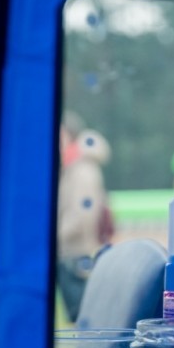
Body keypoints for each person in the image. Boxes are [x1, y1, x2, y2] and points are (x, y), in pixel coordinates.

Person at [57, 120, 113, 321]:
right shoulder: (76, 167)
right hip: (75, 251)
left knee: (81, 316)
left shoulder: (81, 170)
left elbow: (83, 213)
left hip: (77, 252)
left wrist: (57, 236)